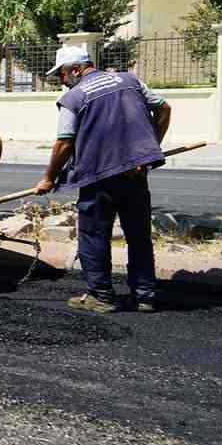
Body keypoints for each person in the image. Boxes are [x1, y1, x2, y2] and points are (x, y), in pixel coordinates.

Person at [33, 45, 171, 313]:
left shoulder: (75, 97)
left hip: (98, 178)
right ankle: (145, 295)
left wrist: (48, 178)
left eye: (61, 74)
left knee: (94, 235)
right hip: (135, 173)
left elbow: (64, 143)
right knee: (139, 236)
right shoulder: (130, 81)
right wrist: (149, 148)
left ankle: (102, 296)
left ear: (75, 69)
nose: (61, 80)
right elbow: (164, 108)